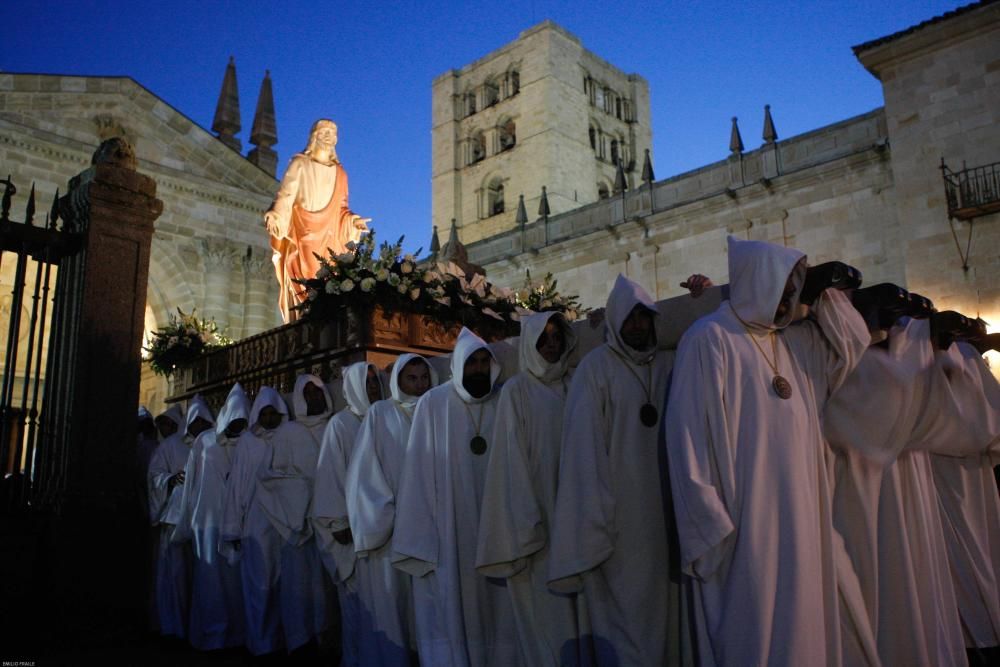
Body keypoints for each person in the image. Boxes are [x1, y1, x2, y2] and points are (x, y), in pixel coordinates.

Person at [665, 236, 871, 667]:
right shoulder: (710, 338)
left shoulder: (791, 343)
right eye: (781, 287)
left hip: (800, 518)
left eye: (792, 290)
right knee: (753, 634)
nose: (786, 300)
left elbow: (853, 344)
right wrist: (709, 526)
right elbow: (687, 439)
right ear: (756, 282)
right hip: (743, 525)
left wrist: (822, 292)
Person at [547, 275, 682, 666]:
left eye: (644, 317)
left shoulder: (669, 362)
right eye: (630, 318)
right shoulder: (596, 369)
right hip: (619, 527)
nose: (638, 326)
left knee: (668, 622)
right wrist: (596, 525)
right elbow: (583, 454)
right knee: (625, 628)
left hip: (667, 520)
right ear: (615, 322)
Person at [825, 318, 965, 667]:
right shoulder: (863, 365)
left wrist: (931, 379)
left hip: (879, 484)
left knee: (891, 576)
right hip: (859, 486)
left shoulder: (873, 365)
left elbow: (900, 413)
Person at [392, 327, 521, 666]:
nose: (478, 369)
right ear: (459, 365)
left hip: (499, 527)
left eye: (483, 362)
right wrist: (422, 538)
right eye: (472, 363)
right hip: (451, 531)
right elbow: (418, 474)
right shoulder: (434, 404)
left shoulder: (504, 398)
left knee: (500, 613)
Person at [475, 312, 584, 666]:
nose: (552, 345)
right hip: (538, 520)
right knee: (545, 617)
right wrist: (527, 519)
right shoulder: (518, 391)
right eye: (544, 338)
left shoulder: (576, 383)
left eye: (557, 337)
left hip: (577, 512)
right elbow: (511, 459)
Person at [221, 386, 329, 655]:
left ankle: (283, 638)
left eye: (274, 413)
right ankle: (260, 642)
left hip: (285, 519)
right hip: (258, 521)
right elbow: (238, 486)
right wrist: (233, 526)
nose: (269, 418)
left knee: (286, 583)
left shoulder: (291, 435)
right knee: (260, 583)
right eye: (265, 413)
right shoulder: (248, 442)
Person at [346, 354, 439, 666]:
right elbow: (366, 474)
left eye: (423, 378)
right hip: (392, 531)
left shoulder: (439, 411)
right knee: (394, 609)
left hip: (432, 528)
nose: (419, 385)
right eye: (411, 378)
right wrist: (390, 517)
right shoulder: (380, 414)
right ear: (398, 381)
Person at [311, 362, 384, 666]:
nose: (371, 388)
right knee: (357, 609)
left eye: (374, 382)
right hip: (352, 532)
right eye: (365, 383)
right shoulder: (341, 425)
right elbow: (330, 476)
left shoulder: (383, 417)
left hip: (381, 531)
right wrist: (339, 520)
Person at [264, 119, 371, 322]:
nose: (329, 136)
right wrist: (275, 213)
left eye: (332, 132)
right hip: (304, 234)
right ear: (314, 137)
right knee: (305, 282)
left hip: (331, 236)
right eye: (324, 132)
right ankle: (305, 323)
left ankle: (325, 323)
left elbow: (341, 207)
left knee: (330, 282)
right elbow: (286, 194)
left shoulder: (340, 173)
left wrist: (352, 221)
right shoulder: (299, 164)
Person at [171, 383, 250, 650]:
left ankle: (236, 636)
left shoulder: (250, 443)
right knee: (210, 581)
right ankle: (210, 636)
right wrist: (187, 517)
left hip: (236, 523)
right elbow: (192, 482)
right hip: (206, 521)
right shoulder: (205, 442)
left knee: (235, 583)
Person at [148, 397, 212, 639]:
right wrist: (171, 480)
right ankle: (172, 624)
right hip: (175, 517)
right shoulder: (171, 446)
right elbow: (155, 475)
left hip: (202, 519)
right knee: (174, 576)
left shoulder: (214, 445)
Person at [291, 373, 335, 442]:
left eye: (317, 391)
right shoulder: (291, 432)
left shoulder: (335, 426)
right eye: (308, 393)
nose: (313, 396)